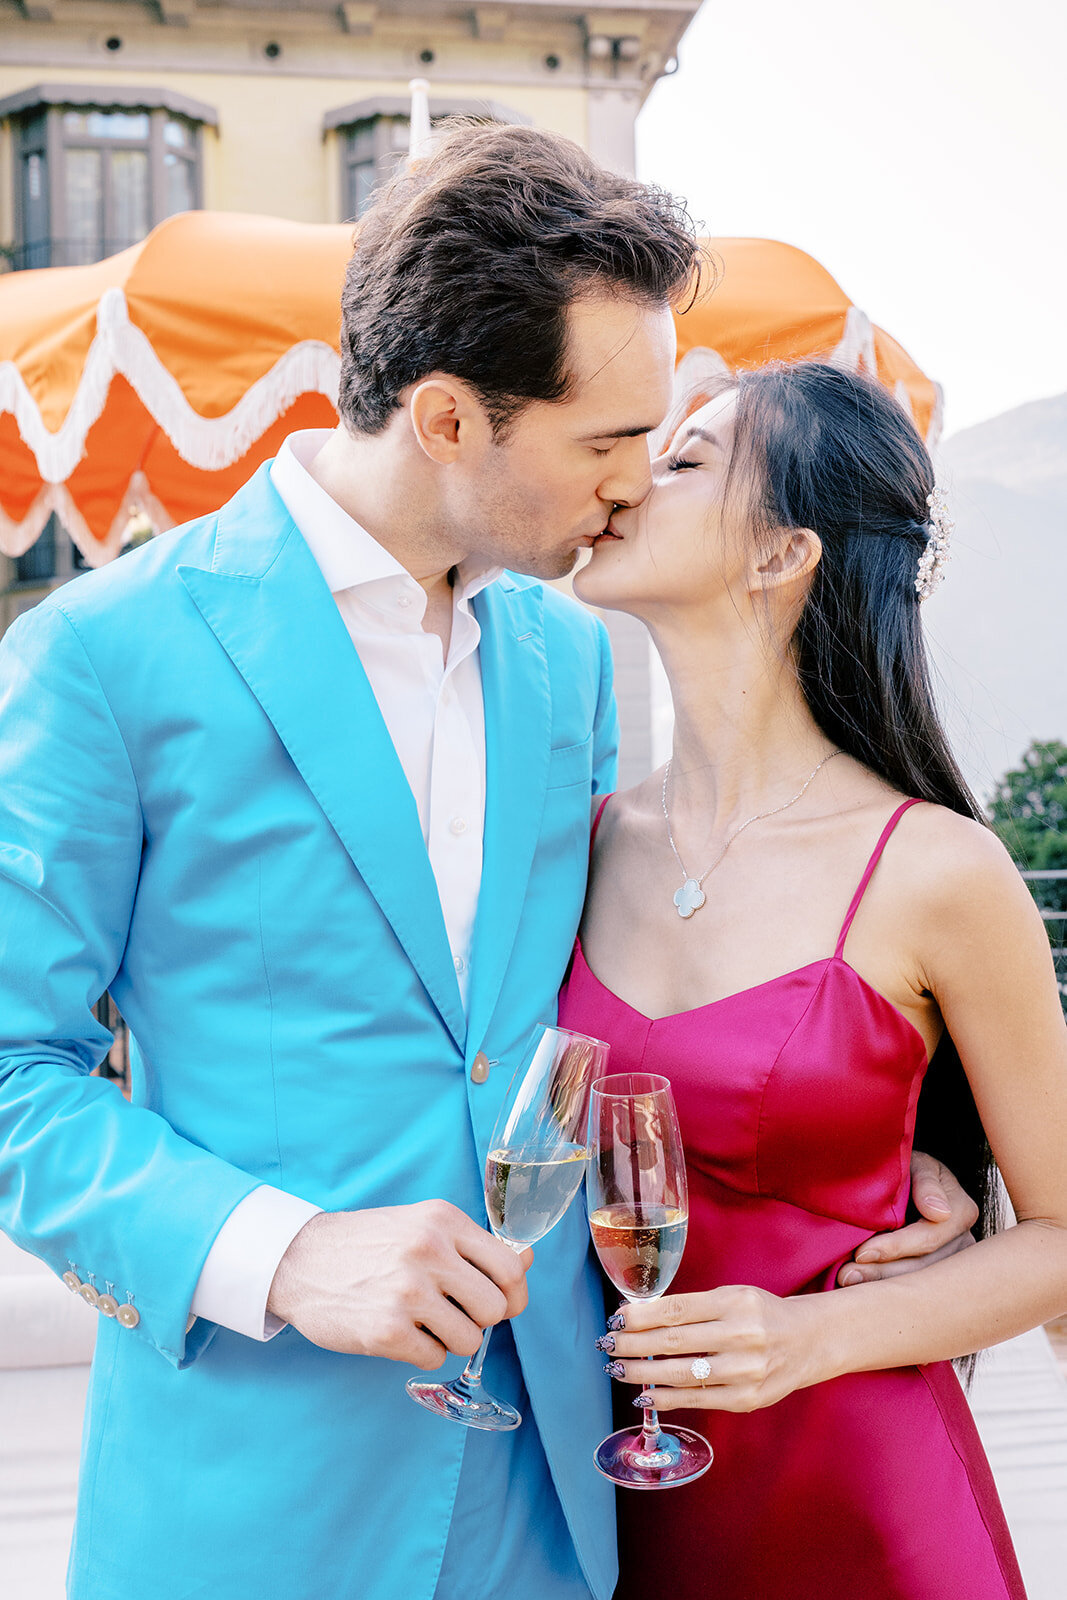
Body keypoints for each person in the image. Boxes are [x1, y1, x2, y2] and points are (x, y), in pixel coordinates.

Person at [0, 129, 972, 1600]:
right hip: (256, 1499)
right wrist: (284, 1251)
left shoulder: (570, 662)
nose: (635, 485)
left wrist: (860, 1169)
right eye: (602, 444)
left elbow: (612, 993)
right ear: (448, 419)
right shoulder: (100, 656)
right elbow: (17, 1068)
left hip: (558, 1497)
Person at [560, 361, 1067, 1599]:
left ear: (781, 555)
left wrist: (805, 1336)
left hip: (866, 1513)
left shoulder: (936, 868)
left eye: (683, 460)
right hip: (611, 1513)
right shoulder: (574, 841)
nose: (628, 479)